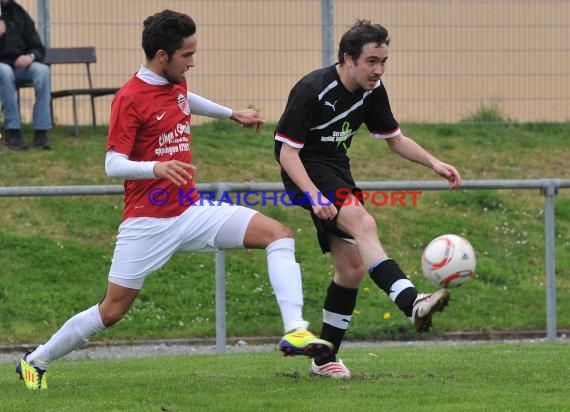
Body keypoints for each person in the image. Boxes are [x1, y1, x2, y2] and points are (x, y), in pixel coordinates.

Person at [15, 10, 332, 390]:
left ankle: (295, 331)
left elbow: (186, 101)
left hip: (191, 210)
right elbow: (112, 164)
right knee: (112, 310)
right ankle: (35, 361)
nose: (192, 62)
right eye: (186, 55)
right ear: (162, 56)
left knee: (278, 234)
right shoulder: (129, 98)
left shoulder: (175, 82)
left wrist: (232, 114)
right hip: (148, 221)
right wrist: (156, 168)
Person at [274, 20, 462, 379]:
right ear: (348, 58)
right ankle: (412, 303)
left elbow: (394, 138)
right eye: (372, 61)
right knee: (364, 222)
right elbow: (286, 153)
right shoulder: (312, 89)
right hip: (306, 167)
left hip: (336, 169)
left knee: (351, 269)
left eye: (383, 61)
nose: (378, 70)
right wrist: (314, 195)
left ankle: (323, 358)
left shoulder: (372, 90)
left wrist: (434, 162)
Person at [0, 0, 52, 150]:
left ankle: (41, 132)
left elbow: (37, 46)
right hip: (2, 67)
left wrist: (30, 57)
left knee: (42, 71)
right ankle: (12, 130)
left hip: (19, 66)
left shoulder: (19, 12)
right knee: (5, 71)